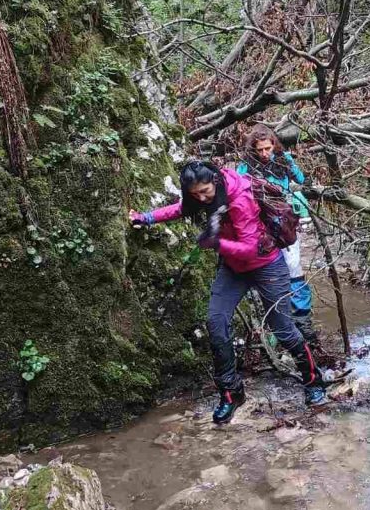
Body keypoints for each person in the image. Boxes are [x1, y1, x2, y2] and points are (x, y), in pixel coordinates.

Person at [129, 159, 326, 425]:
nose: (201, 197)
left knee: (282, 329)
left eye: (205, 192)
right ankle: (231, 393)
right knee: (216, 323)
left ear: (216, 181)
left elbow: (249, 247)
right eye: (195, 193)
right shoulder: (201, 195)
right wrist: (147, 217)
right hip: (233, 269)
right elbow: (182, 209)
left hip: (266, 264)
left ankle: (314, 382)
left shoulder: (240, 197)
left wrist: (217, 243)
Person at [237, 125, 315, 342]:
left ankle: (302, 319)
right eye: (260, 150)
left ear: (274, 146)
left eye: (268, 148)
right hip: (258, 223)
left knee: (293, 267)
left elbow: (302, 180)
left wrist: (297, 192)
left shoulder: (283, 160)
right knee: (267, 269)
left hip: (284, 221)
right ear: (253, 149)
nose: (264, 154)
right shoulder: (245, 167)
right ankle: (274, 319)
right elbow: (235, 190)